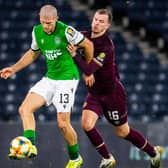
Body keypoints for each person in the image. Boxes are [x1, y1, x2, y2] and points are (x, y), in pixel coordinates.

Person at [67, 9, 163, 168]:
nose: (97, 23)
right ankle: (107, 158)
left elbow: (89, 68)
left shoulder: (107, 46)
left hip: (112, 94)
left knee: (123, 132)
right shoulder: (84, 36)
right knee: (86, 124)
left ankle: (153, 153)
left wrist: (75, 56)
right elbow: (67, 36)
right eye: (96, 20)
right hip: (95, 93)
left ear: (108, 25)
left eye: (101, 21)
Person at [0, 4, 93, 168]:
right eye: (43, 22)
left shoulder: (67, 31)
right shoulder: (37, 31)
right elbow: (33, 53)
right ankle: (30, 145)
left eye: (49, 23)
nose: (46, 26)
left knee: (63, 124)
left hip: (67, 79)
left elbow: (89, 45)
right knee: (24, 109)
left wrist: (88, 69)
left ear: (56, 19)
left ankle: (75, 158)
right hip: (50, 78)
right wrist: (13, 69)